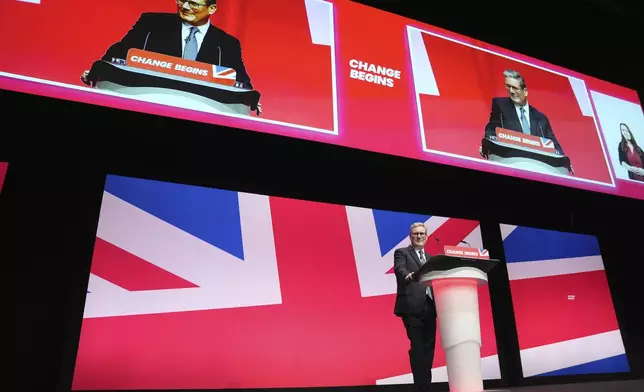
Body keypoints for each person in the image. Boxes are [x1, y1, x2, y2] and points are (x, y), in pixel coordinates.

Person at [81, 0, 255, 93]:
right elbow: (120, 52)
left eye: (193, 3)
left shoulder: (226, 43)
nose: (185, 7)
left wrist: (248, 98)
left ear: (212, 8)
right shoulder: (152, 23)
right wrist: (99, 70)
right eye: (182, 0)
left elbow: (241, 81)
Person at [482, 69, 566, 157]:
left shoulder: (541, 118)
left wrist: (564, 160)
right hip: (510, 159)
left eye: (515, 88)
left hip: (536, 163)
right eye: (508, 87)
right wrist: (487, 147)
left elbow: (554, 145)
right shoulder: (500, 106)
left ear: (525, 92)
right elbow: (491, 131)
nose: (511, 91)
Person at [393, 222, 437, 392]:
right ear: (410, 236)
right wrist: (408, 275)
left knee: (429, 348)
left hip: (430, 307)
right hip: (411, 307)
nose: (419, 236)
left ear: (427, 237)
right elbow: (399, 270)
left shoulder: (432, 258)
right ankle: (421, 387)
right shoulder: (402, 253)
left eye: (422, 234)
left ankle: (426, 385)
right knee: (418, 348)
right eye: (415, 234)